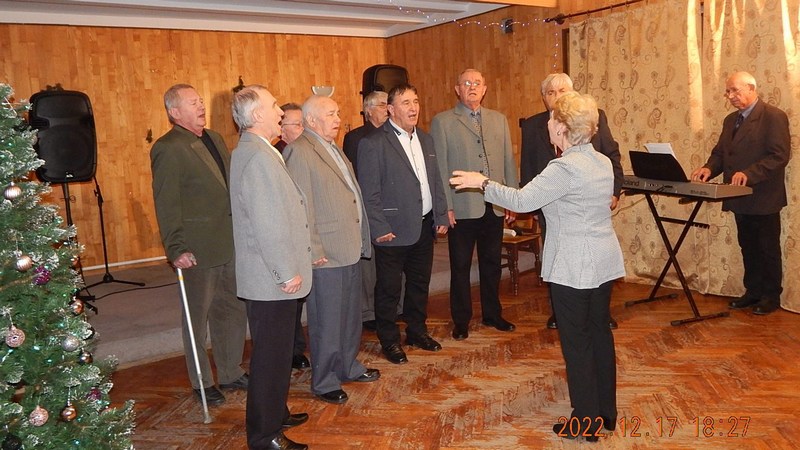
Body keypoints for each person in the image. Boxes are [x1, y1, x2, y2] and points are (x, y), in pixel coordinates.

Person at [449, 91, 625, 442]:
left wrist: (481, 182)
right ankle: (606, 413)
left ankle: (585, 421)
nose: (547, 124)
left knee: (577, 343)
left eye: (552, 119)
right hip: (603, 260)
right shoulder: (602, 162)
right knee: (599, 335)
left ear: (562, 128)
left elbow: (522, 200)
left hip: (574, 266)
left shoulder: (564, 168)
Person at [150, 84, 248, 407]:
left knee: (231, 311)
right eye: (193, 103)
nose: (201, 106)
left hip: (228, 242)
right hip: (196, 248)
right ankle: (202, 382)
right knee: (196, 318)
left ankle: (231, 371)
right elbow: (166, 202)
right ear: (174, 112)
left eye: (200, 101)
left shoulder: (215, 138)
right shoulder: (168, 148)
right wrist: (175, 247)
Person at [284, 95, 380, 405]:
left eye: (338, 113)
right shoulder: (300, 151)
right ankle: (324, 381)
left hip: (347, 246)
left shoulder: (333, 147)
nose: (338, 119)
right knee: (326, 321)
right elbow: (301, 206)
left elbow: (350, 195)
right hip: (325, 252)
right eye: (331, 114)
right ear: (311, 120)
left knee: (350, 317)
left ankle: (348, 365)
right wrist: (313, 249)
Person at [230, 85, 310, 450]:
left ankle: (276, 413)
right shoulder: (258, 156)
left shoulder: (259, 150)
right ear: (257, 114)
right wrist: (285, 271)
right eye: (274, 105)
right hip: (271, 280)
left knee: (276, 355)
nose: (280, 112)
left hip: (270, 277)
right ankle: (265, 436)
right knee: (270, 360)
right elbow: (267, 222)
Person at [520, 73, 622, 330]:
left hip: (588, 204)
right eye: (550, 93)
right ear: (543, 98)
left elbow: (611, 155)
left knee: (590, 255)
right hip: (550, 205)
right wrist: (532, 205)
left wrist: (614, 191)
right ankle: (561, 311)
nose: (556, 97)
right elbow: (528, 166)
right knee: (557, 258)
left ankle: (598, 312)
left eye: (562, 91)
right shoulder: (533, 125)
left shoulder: (593, 116)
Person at [357, 84, 450, 364]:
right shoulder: (373, 143)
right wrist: (379, 227)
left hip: (424, 225)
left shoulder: (426, 139)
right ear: (390, 109)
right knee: (389, 289)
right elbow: (369, 193)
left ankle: (417, 331)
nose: (413, 108)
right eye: (406, 102)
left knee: (419, 284)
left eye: (416, 101)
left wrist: (441, 214)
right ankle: (389, 340)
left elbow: (435, 180)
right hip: (392, 230)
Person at [691, 71, 790, 315]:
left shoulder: (773, 116)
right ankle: (753, 291)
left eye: (735, 90)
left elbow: (779, 156)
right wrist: (708, 168)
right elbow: (720, 154)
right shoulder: (730, 120)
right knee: (748, 246)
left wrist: (749, 173)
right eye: (728, 92)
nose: (730, 96)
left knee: (767, 248)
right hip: (738, 196)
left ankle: (770, 297)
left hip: (763, 196)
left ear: (751, 88)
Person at [432, 68, 518, 341]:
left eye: (477, 83)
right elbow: (440, 167)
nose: (472, 87)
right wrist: (445, 206)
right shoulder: (443, 121)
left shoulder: (499, 120)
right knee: (460, 266)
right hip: (462, 207)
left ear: (484, 89)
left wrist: (511, 198)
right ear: (457, 89)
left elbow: (508, 161)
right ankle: (461, 320)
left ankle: (493, 314)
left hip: (494, 204)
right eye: (466, 83)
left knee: (491, 263)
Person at [342, 90, 394, 332]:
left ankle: (393, 307)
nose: (387, 109)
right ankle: (368, 312)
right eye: (383, 105)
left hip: (393, 208)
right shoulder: (356, 138)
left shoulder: (394, 134)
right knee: (369, 265)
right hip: (367, 207)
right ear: (368, 110)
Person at [271, 101, 311, 370]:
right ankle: (293, 350)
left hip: (307, 235)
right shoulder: (277, 155)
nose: (302, 129)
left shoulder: (306, 151)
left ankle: (300, 346)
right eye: (297, 124)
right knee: (291, 302)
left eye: (303, 123)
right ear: (281, 129)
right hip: (290, 238)